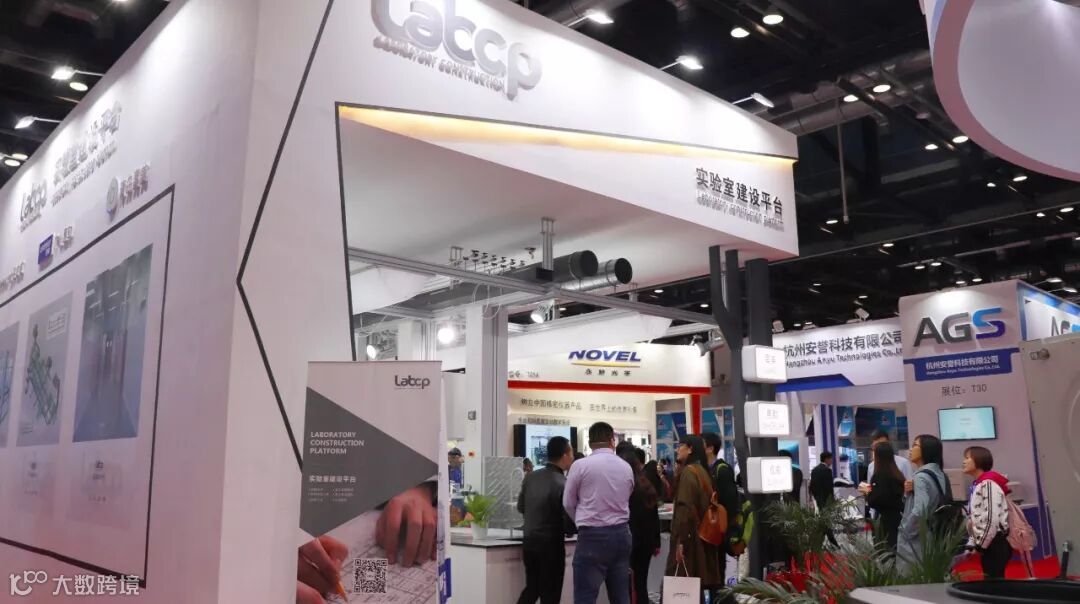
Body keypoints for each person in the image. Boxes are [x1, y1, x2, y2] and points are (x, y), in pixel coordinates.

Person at [563, 422, 635, 604]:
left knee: (585, 597)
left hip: (591, 536)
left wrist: (580, 522)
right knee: (621, 596)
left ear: (589, 442)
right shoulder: (625, 467)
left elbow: (568, 502)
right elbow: (628, 495)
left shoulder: (580, 466)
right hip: (621, 534)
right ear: (612, 441)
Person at [517, 436, 575, 604]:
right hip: (551, 545)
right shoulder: (563, 483)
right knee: (551, 594)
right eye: (571, 453)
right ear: (565, 455)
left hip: (529, 542)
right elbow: (568, 517)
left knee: (532, 589)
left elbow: (521, 507)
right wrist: (571, 530)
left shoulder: (531, 477)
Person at [666, 435, 723, 603]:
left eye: (680, 445)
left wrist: (680, 542)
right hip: (701, 538)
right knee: (695, 588)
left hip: (689, 541)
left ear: (690, 449)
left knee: (682, 588)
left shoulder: (689, 473)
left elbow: (684, 510)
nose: (677, 449)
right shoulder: (702, 471)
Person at [616, 444, 661, 604]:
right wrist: (656, 542)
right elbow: (654, 515)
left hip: (628, 541)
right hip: (646, 542)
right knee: (641, 583)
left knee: (626, 585)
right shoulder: (645, 484)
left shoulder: (622, 486)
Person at [898, 434, 950, 566]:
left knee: (912, 574)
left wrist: (906, 530)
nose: (911, 449)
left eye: (915, 445)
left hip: (917, 539)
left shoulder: (920, 477)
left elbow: (920, 509)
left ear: (926, 450)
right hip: (934, 532)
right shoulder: (940, 473)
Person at [962, 446, 1012, 579]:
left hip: (995, 542)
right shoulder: (978, 484)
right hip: (989, 541)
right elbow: (975, 518)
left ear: (979, 460)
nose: (964, 462)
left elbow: (991, 518)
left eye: (967, 458)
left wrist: (981, 546)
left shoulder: (988, 484)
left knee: (994, 584)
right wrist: (973, 543)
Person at [860, 442, 905, 552]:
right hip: (897, 518)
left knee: (884, 552)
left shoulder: (879, 476)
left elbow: (875, 500)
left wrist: (867, 493)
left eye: (873, 452)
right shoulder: (897, 474)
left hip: (883, 521)